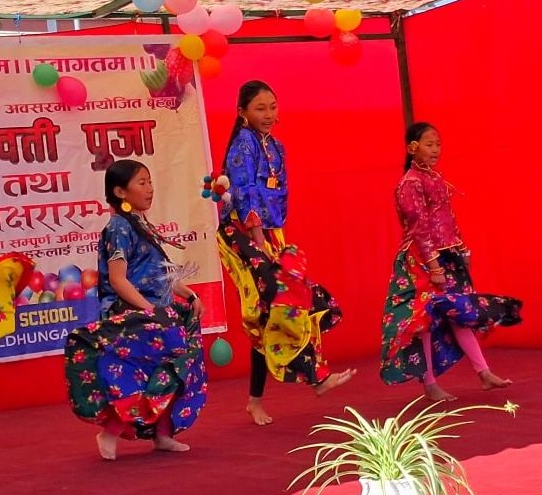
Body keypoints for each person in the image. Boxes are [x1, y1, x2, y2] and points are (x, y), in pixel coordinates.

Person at [217, 80, 355, 425]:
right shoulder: (243, 145)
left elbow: (277, 197)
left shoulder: (275, 145)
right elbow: (246, 192)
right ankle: (314, 378)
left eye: (273, 107)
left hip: (269, 232)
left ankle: (283, 389)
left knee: (289, 304)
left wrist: (273, 237)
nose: (268, 114)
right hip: (243, 232)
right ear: (242, 113)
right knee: (274, 305)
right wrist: (258, 237)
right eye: (260, 108)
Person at [65, 159, 207, 460]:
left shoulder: (140, 224)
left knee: (172, 369)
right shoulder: (118, 228)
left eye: (150, 181)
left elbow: (160, 273)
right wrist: (149, 309)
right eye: (141, 182)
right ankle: (112, 430)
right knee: (145, 374)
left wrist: (189, 294)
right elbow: (117, 280)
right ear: (120, 191)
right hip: (132, 314)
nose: (150, 188)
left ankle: (162, 434)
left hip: (156, 312)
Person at [380, 122, 523, 401]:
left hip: (446, 257)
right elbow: (420, 229)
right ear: (413, 148)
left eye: (438, 144)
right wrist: (434, 267)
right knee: (424, 322)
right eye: (429, 144)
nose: (435, 149)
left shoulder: (435, 178)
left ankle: (483, 372)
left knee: (460, 314)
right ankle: (430, 383)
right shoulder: (409, 184)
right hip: (421, 261)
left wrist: (463, 251)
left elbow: (448, 220)